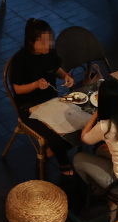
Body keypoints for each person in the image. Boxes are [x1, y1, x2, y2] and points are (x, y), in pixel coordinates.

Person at [10, 19, 76, 175]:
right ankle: (63, 162)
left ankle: (49, 152)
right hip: (30, 107)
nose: (49, 45)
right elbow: (17, 89)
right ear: (32, 42)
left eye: (50, 40)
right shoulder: (20, 60)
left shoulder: (50, 53)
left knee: (77, 124)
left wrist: (66, 76)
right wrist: (35, 85)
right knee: (56, 133)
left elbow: (56, 68)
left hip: (51, 101)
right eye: (44, 42)